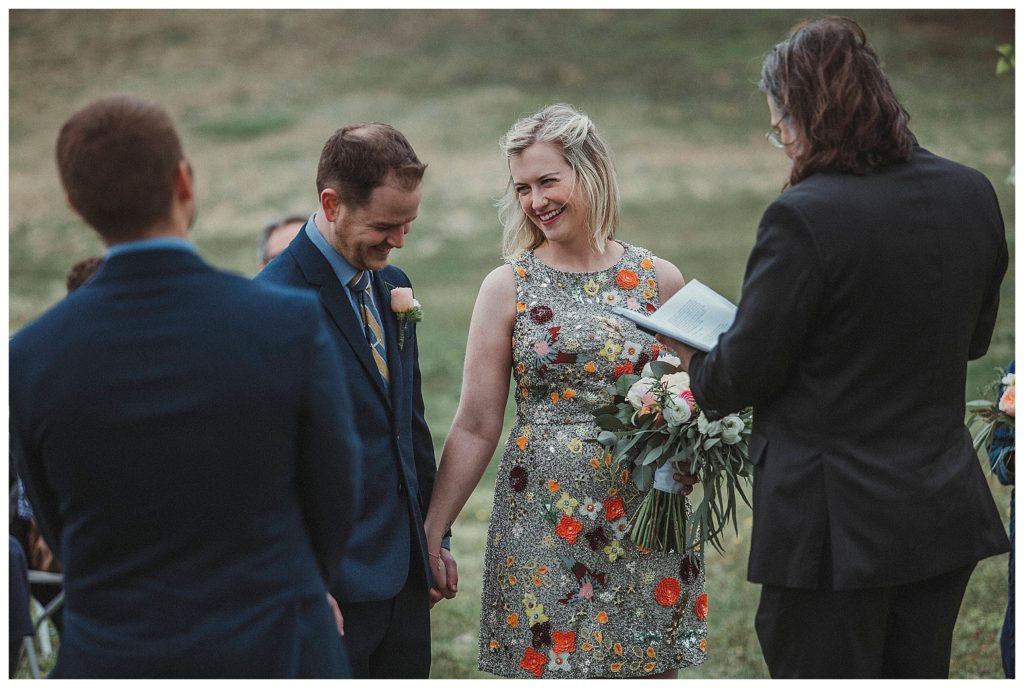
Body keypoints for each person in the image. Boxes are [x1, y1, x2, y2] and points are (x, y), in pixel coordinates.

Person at [658, 18, 1010, 679]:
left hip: (835, 532)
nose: (782, 145)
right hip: (939, 509)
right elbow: (974, 341)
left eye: (779, 128)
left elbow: (736, 377)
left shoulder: (805, 215)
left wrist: (691, 352)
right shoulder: (971, 190)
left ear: (806, 116)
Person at [10, 94, 363, 678]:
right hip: (274, 647)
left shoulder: (30, 357)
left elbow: (53, 521)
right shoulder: (287, 325)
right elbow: (334, 497)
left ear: (75, 205)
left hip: (117, 655)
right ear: (184, 180)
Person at [423, 103, 707, 679]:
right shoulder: (507, 286)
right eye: (522, 187)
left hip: (645, 518)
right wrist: (433, 530)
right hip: (544, 520)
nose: (536, 201)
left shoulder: (661, 280)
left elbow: (695, 408)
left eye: (549, 180)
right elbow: (477, 423)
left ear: (592, 170)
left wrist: (684, 471)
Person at [256, 122, 452, 679]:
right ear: (331, 203)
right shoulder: (272, 303)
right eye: (386, 226)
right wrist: (301, 582)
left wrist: (434, 540)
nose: (399, 241)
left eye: (409, 224)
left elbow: (407, 426)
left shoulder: (392, 282)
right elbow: (262, 466)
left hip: (407, 579)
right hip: (330, 591)